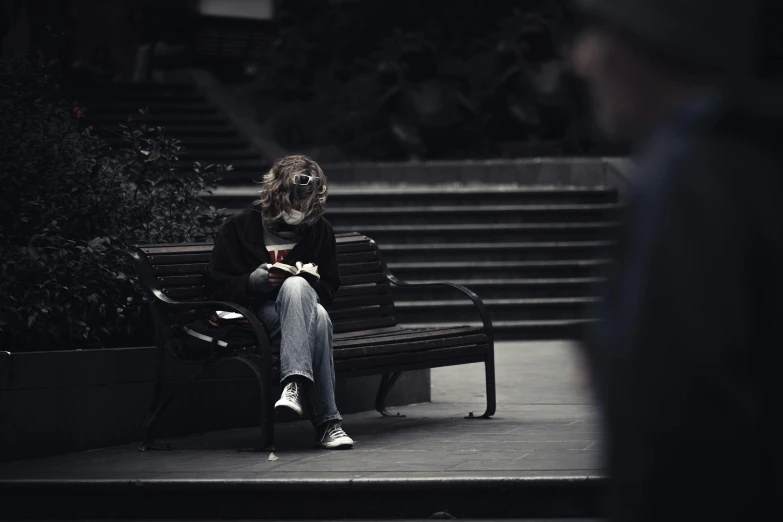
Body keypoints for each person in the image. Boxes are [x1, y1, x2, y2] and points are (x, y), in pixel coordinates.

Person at [571, 1, 782, 520]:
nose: (581, 61)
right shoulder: (752, 156)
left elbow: (678, 417)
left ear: (645, 47)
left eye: (596, 34)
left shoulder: (688, 177)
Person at [206, 155, 353, 449]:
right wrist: (252, 282)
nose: (299, 209)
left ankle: (294, 386)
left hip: (302, 315)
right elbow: (215, 288)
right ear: (276, 193)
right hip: (256, 320)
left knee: (309, 300)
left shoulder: (319, 230)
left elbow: (330, 289)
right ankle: (328, 423)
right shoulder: (240, 228)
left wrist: (312, 283)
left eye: (305, 202)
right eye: (293, 200)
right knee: (319, 317)